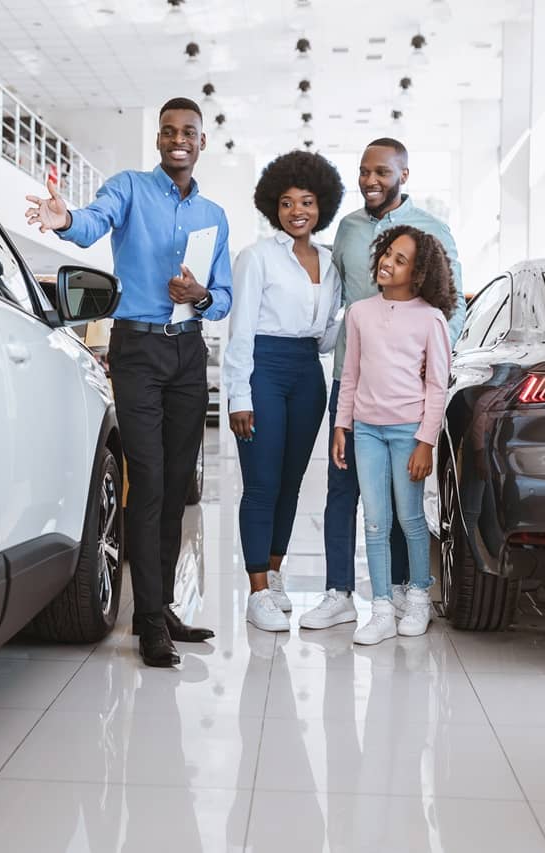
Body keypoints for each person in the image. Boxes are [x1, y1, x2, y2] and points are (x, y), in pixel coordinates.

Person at [24, 97, 233, 668]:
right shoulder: (128, 188)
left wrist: (202, 297)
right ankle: (146, 624)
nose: (177, 140)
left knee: (175, 490)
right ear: (160, 139)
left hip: (188, 353)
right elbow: (91, 223)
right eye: (168, 132)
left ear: (201, 142)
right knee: (148, 480)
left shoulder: (214, 215)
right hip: (138, 350)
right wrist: (62, 219)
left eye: (188, 132)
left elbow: (225, 297)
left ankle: (160, 607)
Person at [302, 137, 467, 631]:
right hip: (350, 382)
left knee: (400, 500)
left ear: (404, 175)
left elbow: (451, 305)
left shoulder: (432, 230)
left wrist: (426, 363)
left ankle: (401, 589)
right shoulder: (349, 230)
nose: (370, 181)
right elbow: (334, 299)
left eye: (381, 172)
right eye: (363, 172)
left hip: (405, 393)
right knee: (342, 489)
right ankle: (339, 592)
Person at [223, 150, 345, 633]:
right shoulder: (256, 258)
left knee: (291, 483)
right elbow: (241, 331)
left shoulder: (332, 263)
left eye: (308, 202)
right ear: (274, 206)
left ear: (322, 206)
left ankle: (273, 574)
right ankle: (255, 592)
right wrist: (239, 396)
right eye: (289, 202)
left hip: (306, 374)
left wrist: (356, 317)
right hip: (263, 371)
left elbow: (324, 335)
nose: (298, 211)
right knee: (262, 484)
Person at [332, 225, 456, 643]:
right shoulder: (360, 313)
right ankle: (382, 607)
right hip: (366, 430)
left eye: (400, 259)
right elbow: (350, 375)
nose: (387, 261)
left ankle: (418, 597)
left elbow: (437, 385)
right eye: (387, 253)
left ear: (419, 272)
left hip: (408, 432)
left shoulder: (430, 319)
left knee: (409, 517)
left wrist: (426, 441)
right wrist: (341, 425)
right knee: (374, 521)